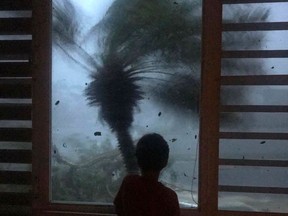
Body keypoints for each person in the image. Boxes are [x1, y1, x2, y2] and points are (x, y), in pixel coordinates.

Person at [114, 133, 180, 216]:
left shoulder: (129, 183)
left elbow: (118, 208)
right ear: (165, 162)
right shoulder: (170, 198)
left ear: (137, 159)